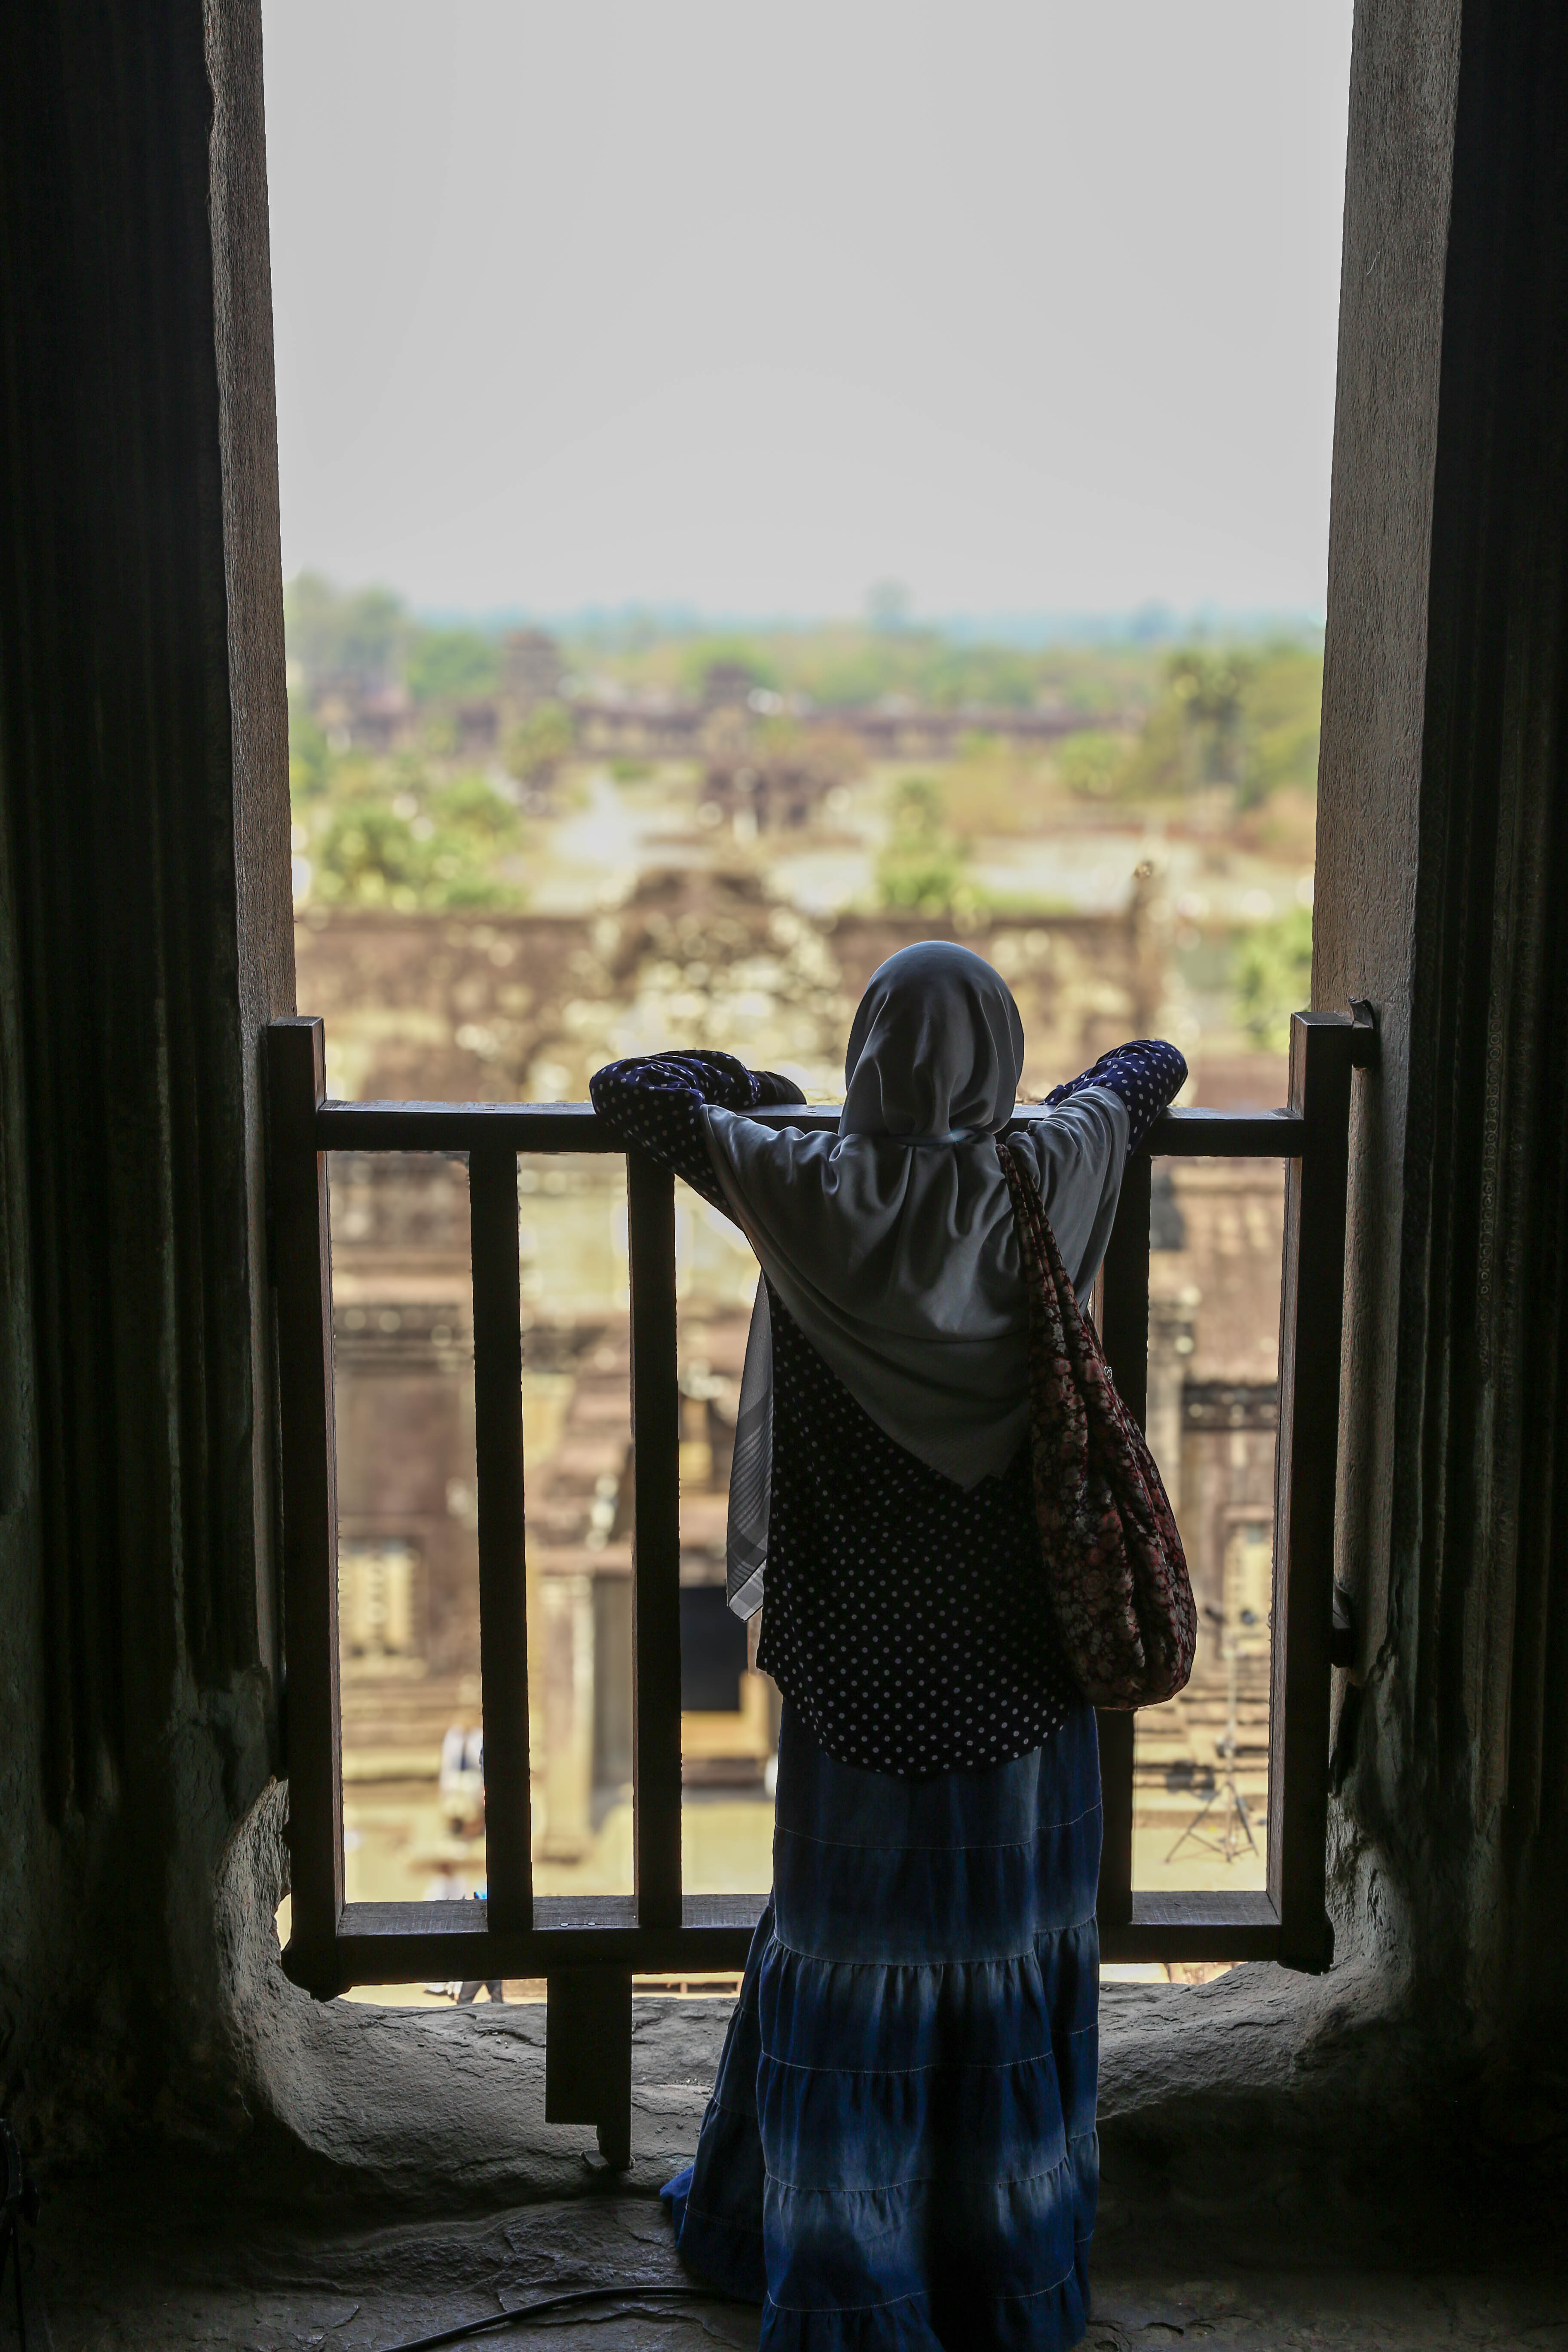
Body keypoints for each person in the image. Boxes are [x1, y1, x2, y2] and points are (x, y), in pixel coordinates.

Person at [590, 943, 1185, 2352]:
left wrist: (768, 1092)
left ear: (868, 1056)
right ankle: (999, 2267)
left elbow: (633, 1088)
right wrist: (1054, 1103)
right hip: (1022, 1661)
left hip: (857, 1660)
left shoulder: (803, 1183)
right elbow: (1151, 1069)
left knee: (846, 1950)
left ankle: (837, 2266)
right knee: (1008, 1945)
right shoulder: (1053, 1168)